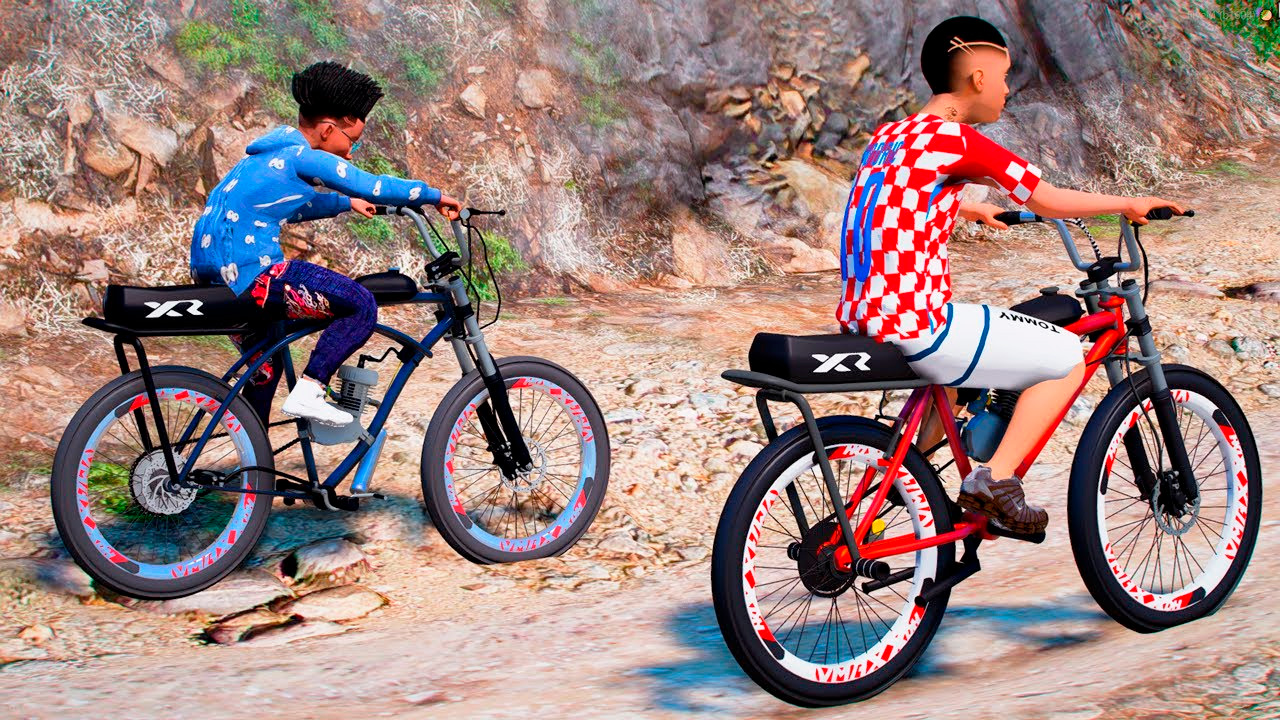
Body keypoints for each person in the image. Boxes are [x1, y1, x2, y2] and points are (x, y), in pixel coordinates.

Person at [836, 16, 1184, 533]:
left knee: (955, 387)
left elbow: (895, 201)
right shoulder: (958, 140)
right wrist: (1128, 203)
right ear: (977, 78)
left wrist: (967, 209)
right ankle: (995, 481)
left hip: (864, 314)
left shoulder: (892, 136)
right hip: (918, 323)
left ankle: (888, 490)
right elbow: (1047, 198)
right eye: (1002, 77)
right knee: (1067, 357)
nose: (1005, 90)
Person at [190, 61, 462, 428]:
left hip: (213, 276)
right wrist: (434, 195)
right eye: (352, 141)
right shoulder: (303, 155)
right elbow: (373, 185)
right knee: (360, 304)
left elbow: (291, 208)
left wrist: (345, 203)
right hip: (253, 274)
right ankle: (311, 389)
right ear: (328, 129)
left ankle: (248, 451)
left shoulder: (264, 157)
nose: (350, 152)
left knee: (264, 371)